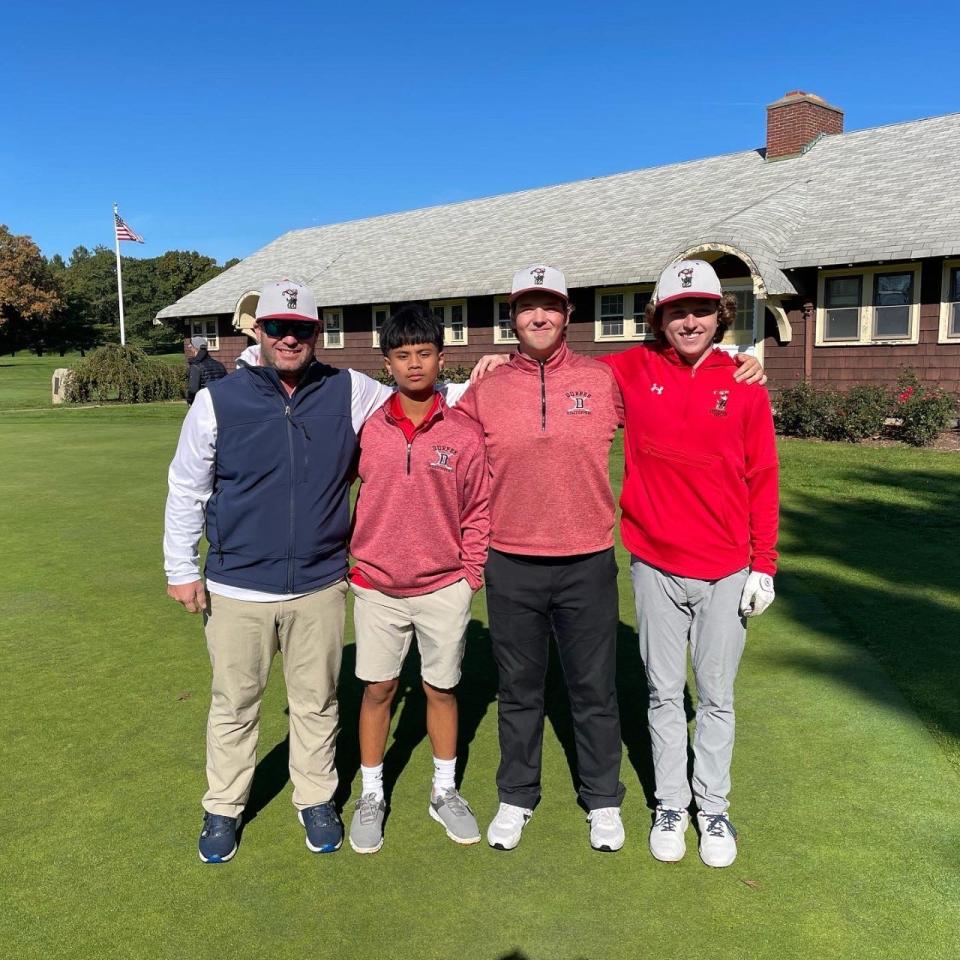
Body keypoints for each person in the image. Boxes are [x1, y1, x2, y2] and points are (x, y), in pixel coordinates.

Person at [461, 266, 767, 853]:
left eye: (550, 305)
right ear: (512, 317)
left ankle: (603, 800)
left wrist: (739, 360)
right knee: (520, 688)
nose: (539, 317)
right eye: (527, 307)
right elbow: (451, 436)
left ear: (568, 314)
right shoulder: (489, 385)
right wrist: (480, 368)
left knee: (593, 689)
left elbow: (680, 379)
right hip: (512, 557)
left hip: (587, 558)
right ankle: (516, 795)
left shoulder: (604, 378)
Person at [164, 279, 401, 863]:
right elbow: (186, 488)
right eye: (278, 327)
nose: (290, 338)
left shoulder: (350, 389)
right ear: (259, 331)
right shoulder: (218, 399)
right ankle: (223, 807)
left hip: (319, 583)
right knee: (234, 703)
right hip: (236, 584)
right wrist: (180, 568)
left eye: (302, 329)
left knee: (316, 700)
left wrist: (488, 378)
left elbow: (420, 393)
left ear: (317, 335)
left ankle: (316, 798)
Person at [600, 259, 779, 868]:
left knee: (718, 695)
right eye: (677, 311)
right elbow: (560, 378)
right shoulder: (631, 368)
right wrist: (497, 364)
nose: (690, 320)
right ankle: (672, 804)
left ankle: (715, 807)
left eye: (701, 309)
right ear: (659, 318)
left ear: (720, 315)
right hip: (655, 562)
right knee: (662, 692)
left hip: (728, 566)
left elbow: (763, 476)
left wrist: (766, 563)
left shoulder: (745, 380)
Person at [346, 305, 489, 854]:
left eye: (424, 354)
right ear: (387, 363)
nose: (413, 365)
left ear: (440, 358)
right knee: (378, 689)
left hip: (443, 586)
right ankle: (372, 794)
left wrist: (469, 575)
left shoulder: (464, 432)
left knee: (441, 689)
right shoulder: (368, 429)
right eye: (402, 355)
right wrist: (353, 563)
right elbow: (341, 492)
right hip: (377, 586)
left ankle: (443, 791)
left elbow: (478, 510)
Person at [185, 335, 226, 405]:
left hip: (204, 405)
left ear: (194, 348)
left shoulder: (196, 366)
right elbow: (226, 384)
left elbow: (193, 390)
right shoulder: (220, 365)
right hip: (220, 404)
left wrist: (190, 401)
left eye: (191, 347)